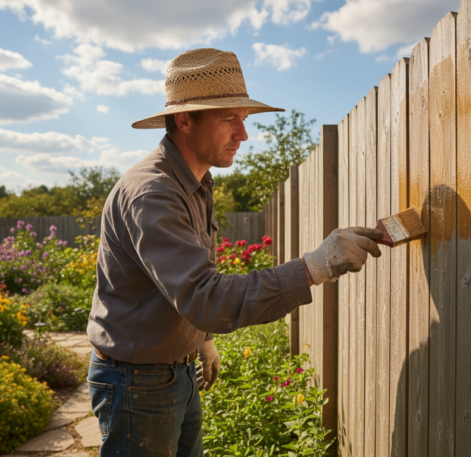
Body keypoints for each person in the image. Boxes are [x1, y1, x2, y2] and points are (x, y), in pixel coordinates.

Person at [87, 48, 383, 456]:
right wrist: (317, 265)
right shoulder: (153, 194)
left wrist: (200, 339)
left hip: (172, 370)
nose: (243, 135)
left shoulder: (195, 181)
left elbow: (185, 283)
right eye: (229, 119)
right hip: (138, 382)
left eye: (243, 120)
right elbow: (205, 296)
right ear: (184, 120)